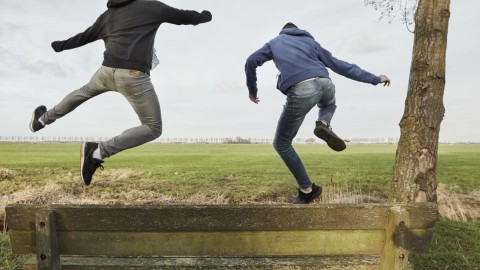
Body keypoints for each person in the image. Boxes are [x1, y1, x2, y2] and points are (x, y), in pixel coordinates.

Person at [29, 0, 212, 186]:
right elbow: (184, 17)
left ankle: (42, 120)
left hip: (105, 71)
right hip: (133, 76)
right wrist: (205, 16)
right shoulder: (150, 6)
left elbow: (84, 36)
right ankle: (97, 152)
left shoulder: (107, 16)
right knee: (152, 127)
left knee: (82, 93)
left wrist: (61, 45)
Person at [245, 22, 390, 204]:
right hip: (325, 83)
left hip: (302, 89)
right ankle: (323, 123)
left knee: (281, 143)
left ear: (283, 32)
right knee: (329, 104)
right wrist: (375, 78)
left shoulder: (275, 42)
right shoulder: (311, 43)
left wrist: (252, 90)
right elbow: (340, 65)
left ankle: (307, 189)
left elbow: (251, 61)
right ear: (298, 31)